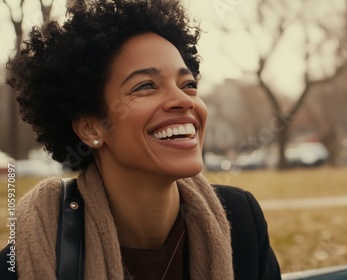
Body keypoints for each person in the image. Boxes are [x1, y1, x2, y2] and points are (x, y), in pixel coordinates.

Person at [0, 0, 281, 279]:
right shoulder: (32, 259)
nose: (183, 100)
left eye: (189, 84)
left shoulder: (242, 222)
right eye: (146, 86)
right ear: (90, 128)